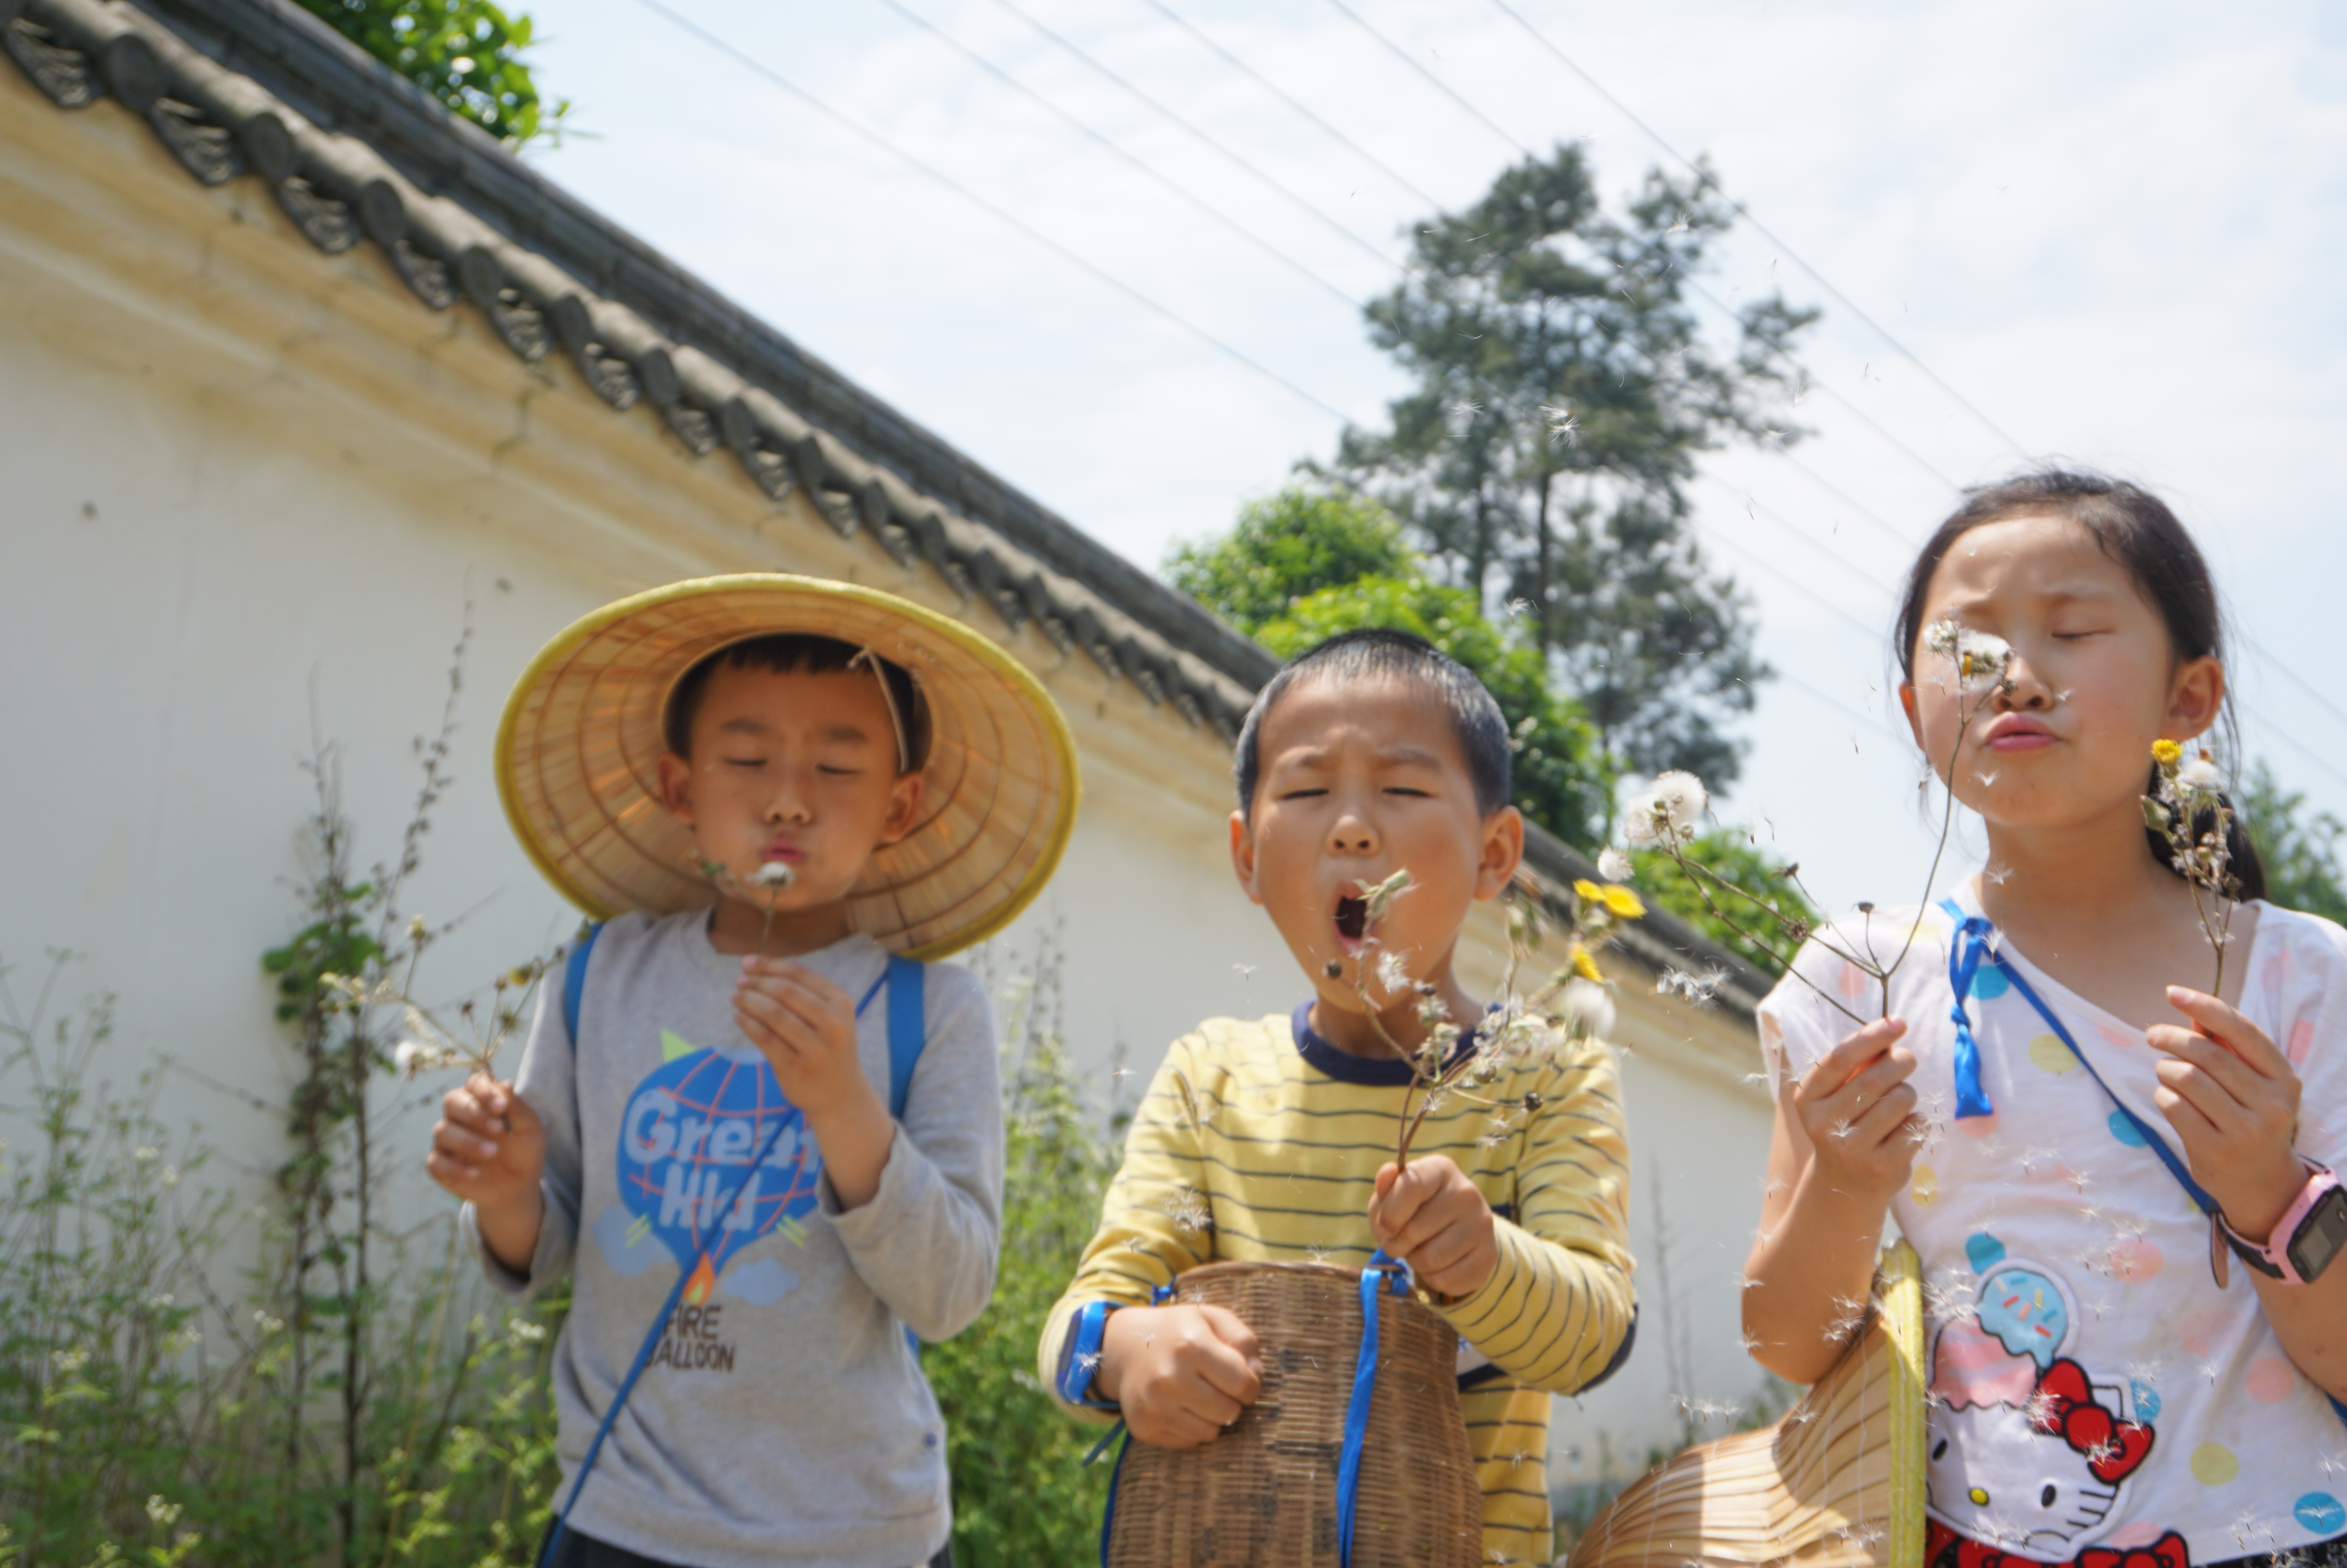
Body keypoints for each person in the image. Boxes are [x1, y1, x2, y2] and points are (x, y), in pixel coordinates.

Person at [1742, 471, 2347, 1568]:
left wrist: (2269, 1190)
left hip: (2284, 1544)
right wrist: (1844, 1185)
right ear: (1912, 709)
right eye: (1967, 644)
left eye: (2073, 632)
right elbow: (1790, 1341)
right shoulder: (1857, 980)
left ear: (2190, 697)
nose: (2017, 677)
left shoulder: (2302, 975)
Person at [425, 574, 1080, 1568]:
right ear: (681, 788)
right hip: (622, 1511)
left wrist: (845, 1103)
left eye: (837, 765)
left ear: (899, 805)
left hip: (855, 1531)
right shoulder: (603, 975)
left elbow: (951, 1293)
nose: (787, 798)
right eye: (745, 758)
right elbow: (543, 1244)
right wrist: (507, 1189)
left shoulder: (931, 1010)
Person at [1040, 628, 1636, 1568]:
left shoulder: (1548, 1075)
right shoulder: (1210, 1077)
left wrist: (1484, 1259)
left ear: (1494, 854)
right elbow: (1077, 1328)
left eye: (1403, 790)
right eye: (1308, 792)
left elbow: (1593, 1337)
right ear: (1247, 856)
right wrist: (1128, 1350)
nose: (1352, 828)